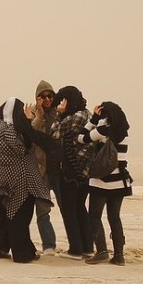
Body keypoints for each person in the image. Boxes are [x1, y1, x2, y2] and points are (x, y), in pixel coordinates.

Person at [0, 98, 57, 263]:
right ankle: (22, 254)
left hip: (2, 180)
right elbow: (21, 146)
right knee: (19, 217)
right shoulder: (8, 130)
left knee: (5, 215)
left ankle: (2, 248)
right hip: (18, 182)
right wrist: (28, 121)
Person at [78, 102, 132, 265]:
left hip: (101, 181)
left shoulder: (102, 130)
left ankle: (101, 251)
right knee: (114, 218)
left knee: (94, 216)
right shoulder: (124, 133)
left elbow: (81, 137)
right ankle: (119, 255)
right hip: (121, 182)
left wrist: (94, 119)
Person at [50, 86, 94, 260]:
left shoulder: (73, 117)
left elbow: (54, 133)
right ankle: (88, 248)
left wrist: (59, 114)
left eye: (63, 100)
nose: (61, 104)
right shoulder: (89, 114)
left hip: (71, 172)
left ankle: (75, 249)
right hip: (86, 172)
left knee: (69, 210)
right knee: (81, 209)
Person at [30, 80, 60, 255]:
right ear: (37, 98)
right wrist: (39, 115)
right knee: (42, 210)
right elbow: (30, 133)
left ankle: (78, 245)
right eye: (43, 96)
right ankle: (48, 245)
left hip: (57, 169)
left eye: (50, 96)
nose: (47, 99)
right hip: (40, 170)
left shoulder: (59, 113)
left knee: (67, 209)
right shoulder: (32, 113)